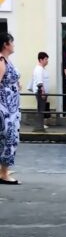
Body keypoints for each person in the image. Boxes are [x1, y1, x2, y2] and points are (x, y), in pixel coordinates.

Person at [0, 32, 21, 184]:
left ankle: (3, 169)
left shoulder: (8, 60)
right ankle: (4, 173)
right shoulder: (1, 61)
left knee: (8, 137)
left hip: (12, 107)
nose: (13, 45)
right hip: (5, 107)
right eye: (11, 42)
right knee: (9, 137)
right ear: (6, 44)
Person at [29, 51, 50, 128]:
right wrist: (43, 92)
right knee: (41, 108)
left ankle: (41, 123)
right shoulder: (39, 69)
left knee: (42, 107)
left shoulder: (41, 68)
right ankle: (40, 124)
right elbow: (40, 81)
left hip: (42, 91)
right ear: (41, 60)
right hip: (41, 92)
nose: (47, 61)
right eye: (45, 59)